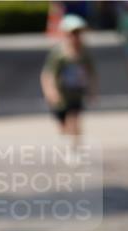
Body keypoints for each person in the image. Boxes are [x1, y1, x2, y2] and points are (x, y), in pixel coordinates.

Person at [40, 14, 97, 142]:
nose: (75, 37)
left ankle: (76, 146)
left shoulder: (84, 52)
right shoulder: (59, 54)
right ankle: (69, 140)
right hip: (62, 94)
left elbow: (91, 72)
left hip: (76, 92)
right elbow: (48, 74)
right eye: (72, 33)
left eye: (78, 33)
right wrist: (51, 92)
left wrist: (92, 91)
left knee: (75, 119)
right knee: (64, 123)